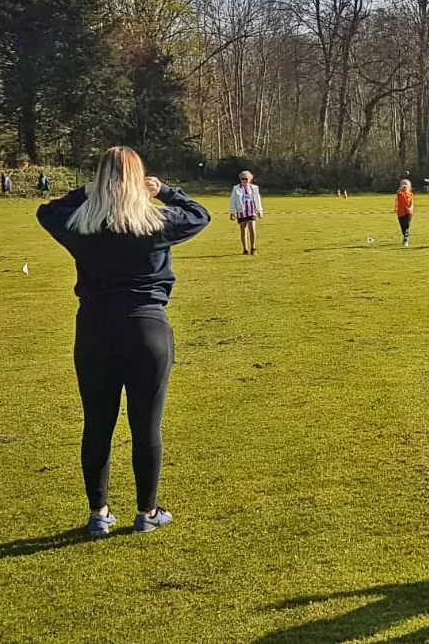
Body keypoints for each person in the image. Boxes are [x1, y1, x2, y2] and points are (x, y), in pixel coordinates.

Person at [36, 146, 210, 537]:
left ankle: (99, 513)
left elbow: (46, 211)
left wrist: (87, 192)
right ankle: (146, 512)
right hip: (147, 328)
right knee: (146, 425)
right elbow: (200, 214)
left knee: (97, 424)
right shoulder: (157, 222)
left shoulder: (81, 223)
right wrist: (164, 190)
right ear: (139, 180)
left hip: (96, 327)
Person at [229, 171, 264, 255]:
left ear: (250, 179)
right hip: (241, 212)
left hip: (251, 211)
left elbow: (257, 199)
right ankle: (245, 249)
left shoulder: (254, 188)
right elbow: (233, 200)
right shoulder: (236, 188)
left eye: (246, 179)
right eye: (242, 179)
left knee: (252, 229)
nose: (244, 180)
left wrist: (259, 211)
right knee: (243, 230)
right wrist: (232, 212)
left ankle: (253, 248)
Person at [395, 179, 414, 247]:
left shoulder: (410, 194)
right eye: (403, 184)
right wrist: (401, 188)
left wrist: (410, 208)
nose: (404, 185)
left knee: (407, 225)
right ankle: (405, 237)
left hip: (408, 212)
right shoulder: (400, 193)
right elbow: (398, 192)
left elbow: (412, 204)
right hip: (400, 213)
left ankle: (406, 240)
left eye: (406, 184)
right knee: (403, 227)